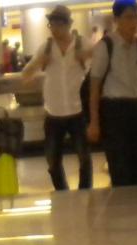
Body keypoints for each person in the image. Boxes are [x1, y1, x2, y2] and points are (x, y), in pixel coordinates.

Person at [87, 0, 137, 188]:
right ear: (117, 20)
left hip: (135, 108)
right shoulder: (106, 46)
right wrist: (94, 122)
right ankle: (122, 205)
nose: (133, 22)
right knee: (120, 168)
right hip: (114, 111)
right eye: (128, 17)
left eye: (136, 17)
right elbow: (94, 86)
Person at [22, 5, 93, 191]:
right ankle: (62, 192)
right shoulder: (45, 48)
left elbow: (102, 56)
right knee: (52, 161)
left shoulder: (82, 44)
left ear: (68, 25)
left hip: (78, 110)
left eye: (58, 25)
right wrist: (40, 63)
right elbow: (26, 74)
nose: (54, 29)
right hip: (53, 113)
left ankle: (85, 192)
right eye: (51, 25)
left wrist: (86, 55)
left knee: (84, 158)